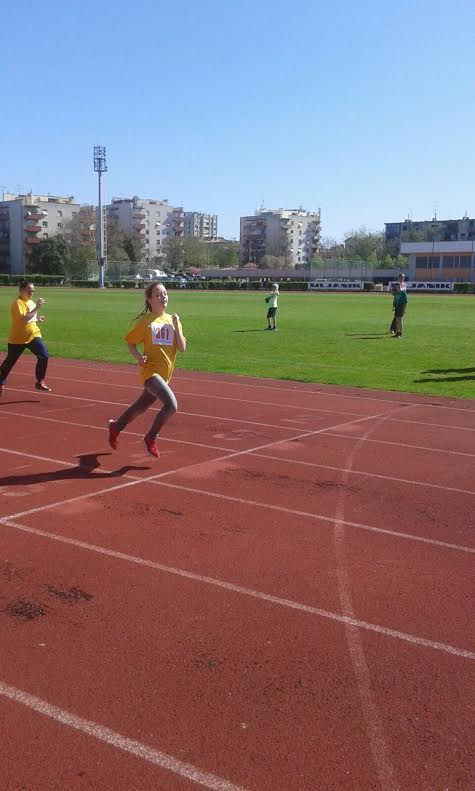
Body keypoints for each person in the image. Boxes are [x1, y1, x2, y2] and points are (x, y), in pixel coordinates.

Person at [108, 282, 186, 458]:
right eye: (158, 295)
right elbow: (131, 342)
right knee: (171, 405)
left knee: (140, 406)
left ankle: (116, 426)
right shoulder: (145, 321)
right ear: (150, 300)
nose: (163, 297)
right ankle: (151, 438)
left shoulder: (172, 320)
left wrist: (177, 325)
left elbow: (182, 348)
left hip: (164, 376)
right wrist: (138, 357)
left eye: (165, 293)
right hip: (150, 373)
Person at [0, 280, 51, 395]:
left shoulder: (31, 302)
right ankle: (0, 382)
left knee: (44, 355)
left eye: (33, 291)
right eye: (29, 291)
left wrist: (37, 319)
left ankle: (40, 381)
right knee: (9, 363)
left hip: (33, 335)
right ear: (21, 290)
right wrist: (37, 308)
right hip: (17, 338)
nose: (31, 293)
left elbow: (30, 318)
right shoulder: (17, 303)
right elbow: (23, 319)